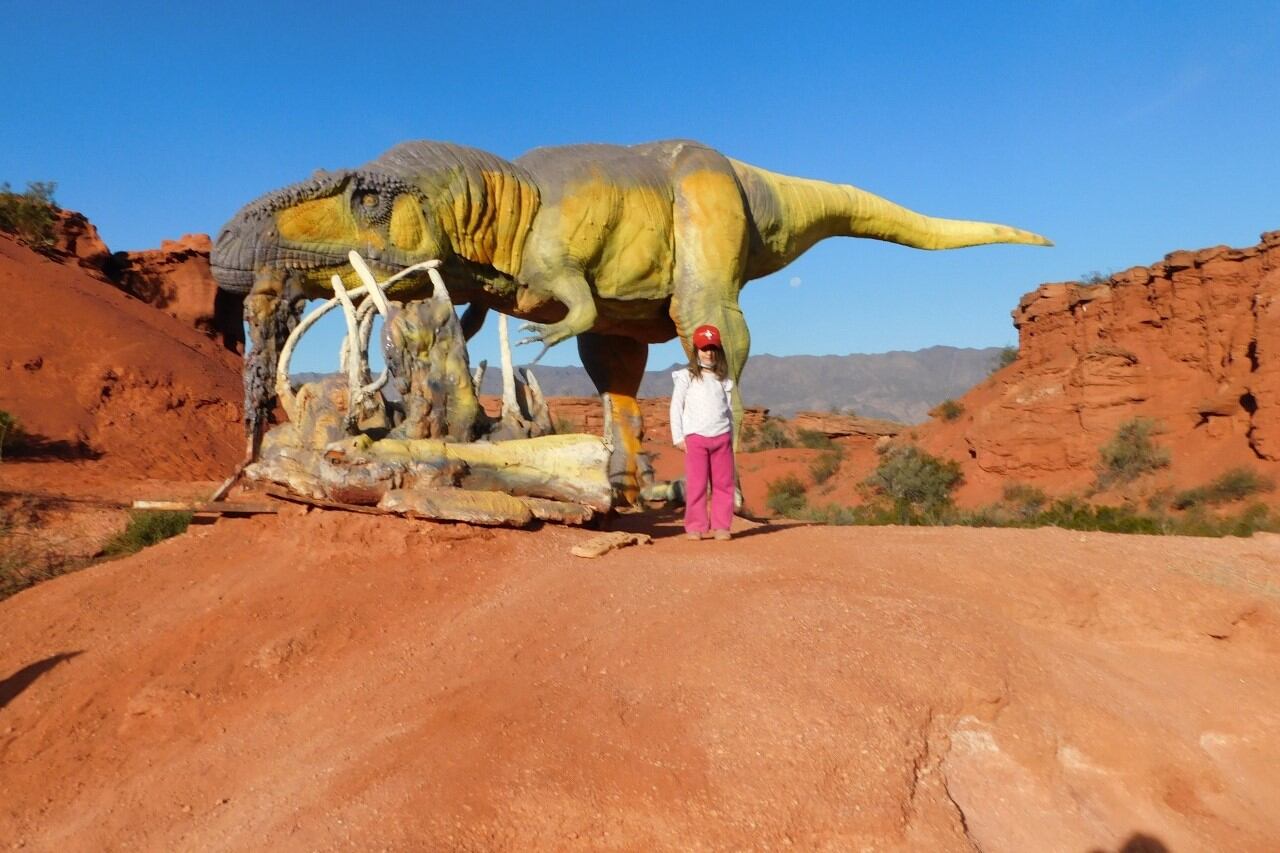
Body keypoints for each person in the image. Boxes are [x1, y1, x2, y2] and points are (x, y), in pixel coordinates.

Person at [671, 324, 735, 541]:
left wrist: (730, 437)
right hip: (696, 438)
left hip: (721, 437)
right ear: (696, 350)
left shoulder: (723, 379)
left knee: (723, 484)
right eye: (704, 348)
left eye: (713, 348)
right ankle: (695, 526)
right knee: (697, 484)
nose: (708, 353)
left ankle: (721, 526)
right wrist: (678, 437)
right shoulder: (686, 376)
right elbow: (676, 406)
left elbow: (729, 410)